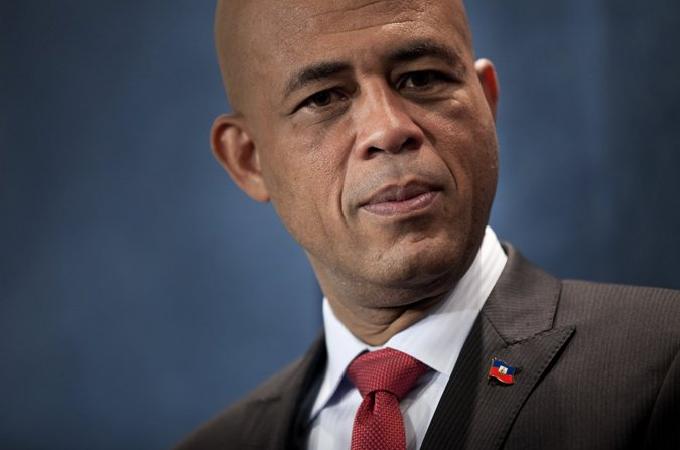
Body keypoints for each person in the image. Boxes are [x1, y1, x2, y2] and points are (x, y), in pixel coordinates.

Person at [176, 0, 680, 448]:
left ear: (486, 100)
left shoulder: (662, 359)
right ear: (248, 159)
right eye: (324, 98)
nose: (388, 129)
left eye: (421, 78)